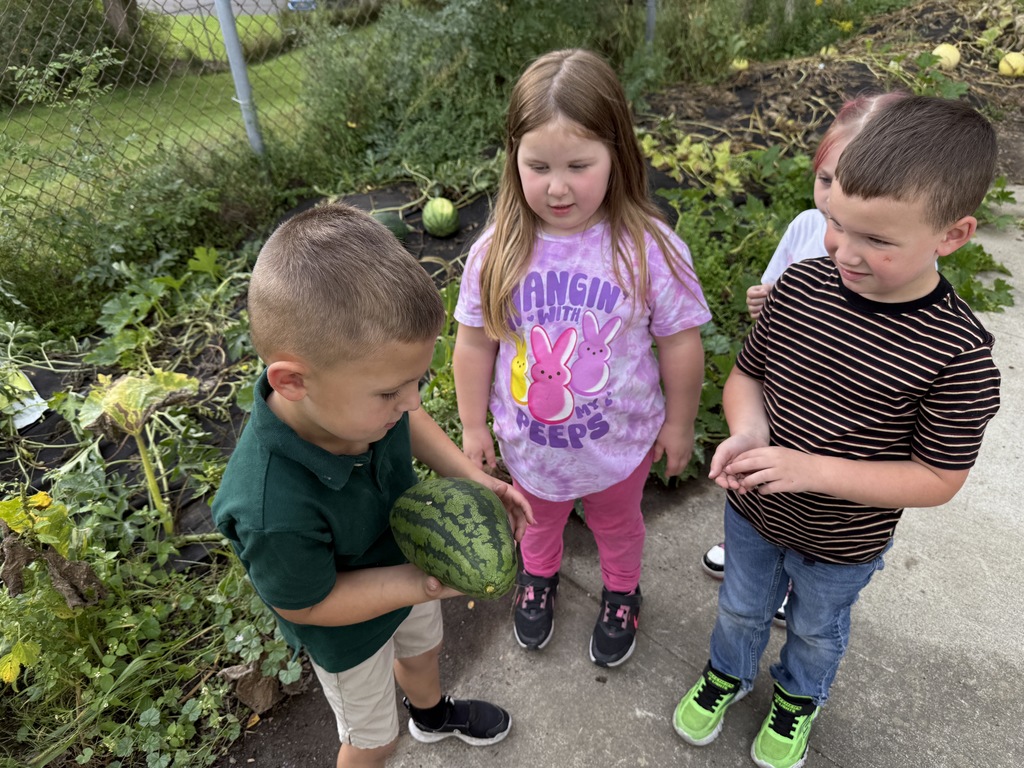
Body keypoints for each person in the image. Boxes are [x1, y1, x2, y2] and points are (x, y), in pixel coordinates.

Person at [673, 94, 1001, 768]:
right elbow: (747, 378)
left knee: (818, 630)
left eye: (876, 240)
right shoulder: (800, 287)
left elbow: (938, 478)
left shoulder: (956, 354)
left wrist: (810, 469)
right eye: (835, 225)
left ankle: (799, 695)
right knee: (739, 607)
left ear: (953, 235)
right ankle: (728, 674)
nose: (843, 252)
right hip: (754, 512)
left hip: (844, 541)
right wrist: (747, 430)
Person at [212, 203, 534, 768]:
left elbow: (411, 425)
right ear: (292, 381)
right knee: (373, 739)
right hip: (348, 633)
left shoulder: (358, 407)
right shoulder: (270, 506)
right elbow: (309, 605)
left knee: (424, 652)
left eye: (418, 381)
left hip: (408, 571)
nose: (410, 402)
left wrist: (476, 478)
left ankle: (432, 715)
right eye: (392, 391)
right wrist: (425, 584)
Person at [452, 48, 711, 668]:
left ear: (617, 154)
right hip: (530, 448)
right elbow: (473, 341)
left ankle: (622, 591)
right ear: (512, 156)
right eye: (537, 165)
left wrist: (679, 423)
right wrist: (470, 424)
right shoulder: (498, 252)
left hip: (618, 447)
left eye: (579, 164)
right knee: (536, 524)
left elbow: (680, 342)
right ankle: (538, 577)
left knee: (618, 526)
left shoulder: (647, 248)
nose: (557, 186)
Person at [700, 92, 909, 631]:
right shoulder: (804, 229)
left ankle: (793, 584)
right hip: (786, 385)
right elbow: (777, 292)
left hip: (840, 509)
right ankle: (750, 555)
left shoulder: (937, 342)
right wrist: (765, 300)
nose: (837, 240)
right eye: (827, 182)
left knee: (814, 616)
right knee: (758, 490)